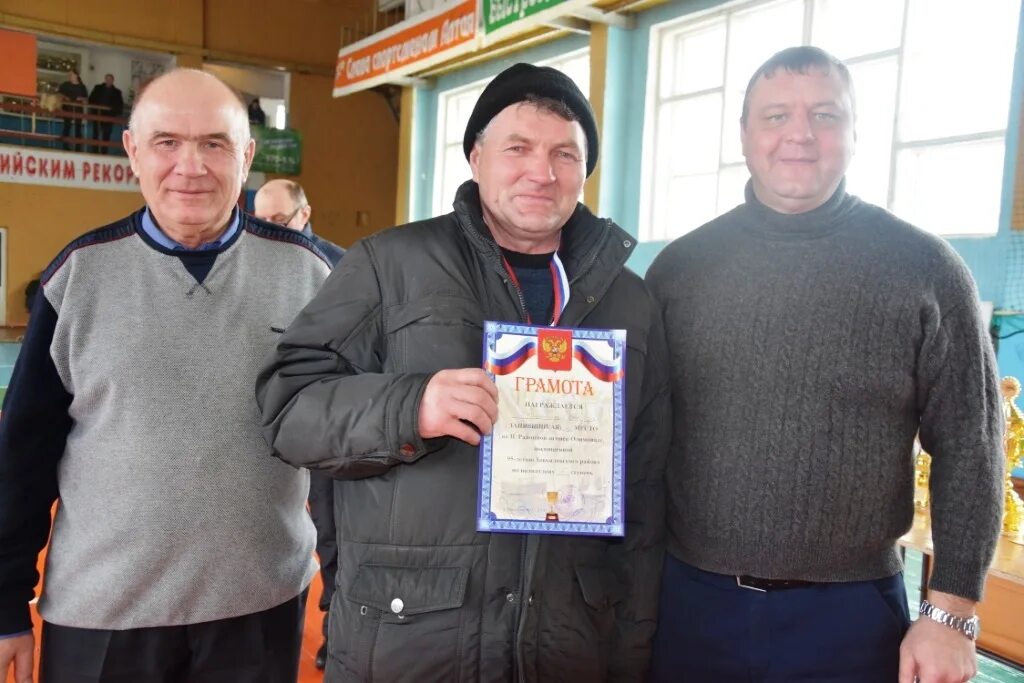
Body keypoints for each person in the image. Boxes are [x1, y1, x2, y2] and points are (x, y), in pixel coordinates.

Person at [256, 63, 670, 682]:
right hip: (406, 642)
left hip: (567, 647)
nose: (542, 171)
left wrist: (631, 653)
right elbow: (289, 408)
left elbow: (645, 492)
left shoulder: (629, 303)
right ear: (475, 158)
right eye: (518, 149)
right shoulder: (387, 265)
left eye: (565, 154)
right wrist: (408, 407)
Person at [645, 46, 1003, 683]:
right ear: (745, 135)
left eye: (826, 115)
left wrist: (951, 612)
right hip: (691, 606)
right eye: (777, 115)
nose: (800, 135)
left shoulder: (925, 270)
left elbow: (972, 448)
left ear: (856, 132)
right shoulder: (680, 270)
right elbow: (637, 437)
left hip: (852, 616)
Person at [0, 68, 331, 683]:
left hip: (259, 608)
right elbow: (23, 452)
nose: (191, 165)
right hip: (102, 614)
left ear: (247, 155)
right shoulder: (76, 277)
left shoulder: (314, 276)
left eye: (214, 143)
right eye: (167, 142)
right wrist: (4, 603)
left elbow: (346, 447)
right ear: (131, 151)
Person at [254, 177, 343, 670]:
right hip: (271, 428)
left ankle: (336, 631)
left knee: (333, 536)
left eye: (278, 221)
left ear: (304, 215)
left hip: (327, 426)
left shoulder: (343, 268)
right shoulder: (248, 268)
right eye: (257, 220)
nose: (265, 231)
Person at [88, 74, 125, 155]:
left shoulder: (117, 92)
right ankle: (94, 151)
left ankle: (104, 152)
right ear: (105, 79)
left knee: (107, 134)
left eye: (110, 79)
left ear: (112, 81)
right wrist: (94, 110)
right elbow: (91, 99)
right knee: (96, 133)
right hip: (97, 114)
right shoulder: (98, 88)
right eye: (107, 79)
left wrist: (113, 111)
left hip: (109, 116)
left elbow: (120, 105)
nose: (108, 81)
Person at [57, 70, 88, 151]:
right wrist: (65, 97)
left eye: (71, 74)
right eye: (69, 75)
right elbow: (59, 93)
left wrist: (81, 99)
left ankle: (78, 147)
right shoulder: (65, 84)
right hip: (67, 108)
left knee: (78, 127)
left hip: (78, 109)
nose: (70, 76)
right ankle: (65, 146)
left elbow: (85, 98)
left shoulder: (82, 87)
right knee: (67, 126)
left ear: (76, 75)